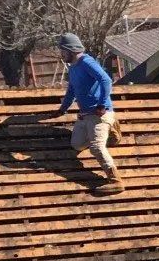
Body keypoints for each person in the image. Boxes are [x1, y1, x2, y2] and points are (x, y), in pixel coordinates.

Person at [47, 33, 122, 194]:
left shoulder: (86, 62)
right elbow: (72, 90)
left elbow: (106, 80)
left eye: (63, 51)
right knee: (77, 144)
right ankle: (109, 129)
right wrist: (62, 109)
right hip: (86, 114)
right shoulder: (73, 68)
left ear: (70, 50)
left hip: (99, 113)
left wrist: (102, 104)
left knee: (96, 147)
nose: (61, 54)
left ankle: (115, 181)